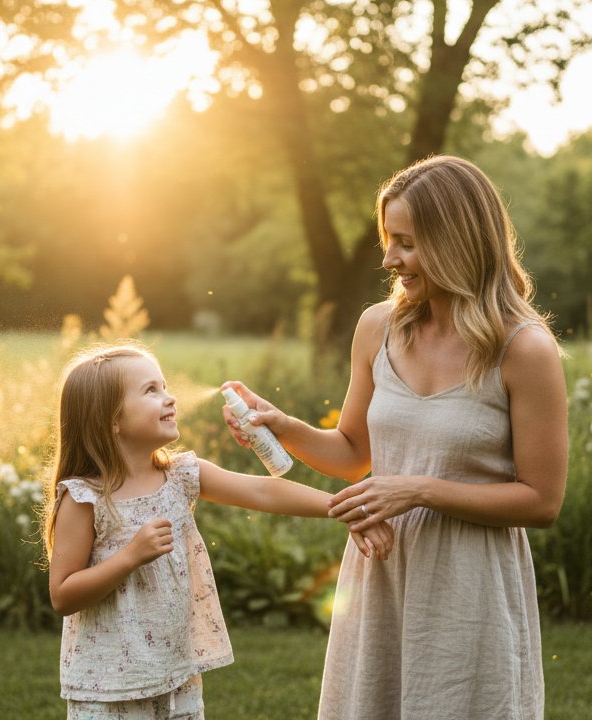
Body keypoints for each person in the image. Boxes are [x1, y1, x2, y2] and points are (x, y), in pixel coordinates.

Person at [223, 154, 568, 719]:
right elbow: (354, 455)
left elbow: (542, 501)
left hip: (469, 588)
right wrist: (283, 426)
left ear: (454, 240)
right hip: (382, 575)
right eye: (389, 240)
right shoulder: (378, 326)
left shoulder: (524, 350)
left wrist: (418, 490)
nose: (389, 259)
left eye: (405, 242)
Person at [44, 342, 394, 720]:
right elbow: (63, 595)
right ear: (110, 419)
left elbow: (264, 491)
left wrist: (343, 508)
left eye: (164, 386)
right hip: (109, 688)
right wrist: (130, 557)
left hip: (177, 677)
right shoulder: (85, 499)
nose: (170, 398)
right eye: (151, 391)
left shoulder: (180, 476)